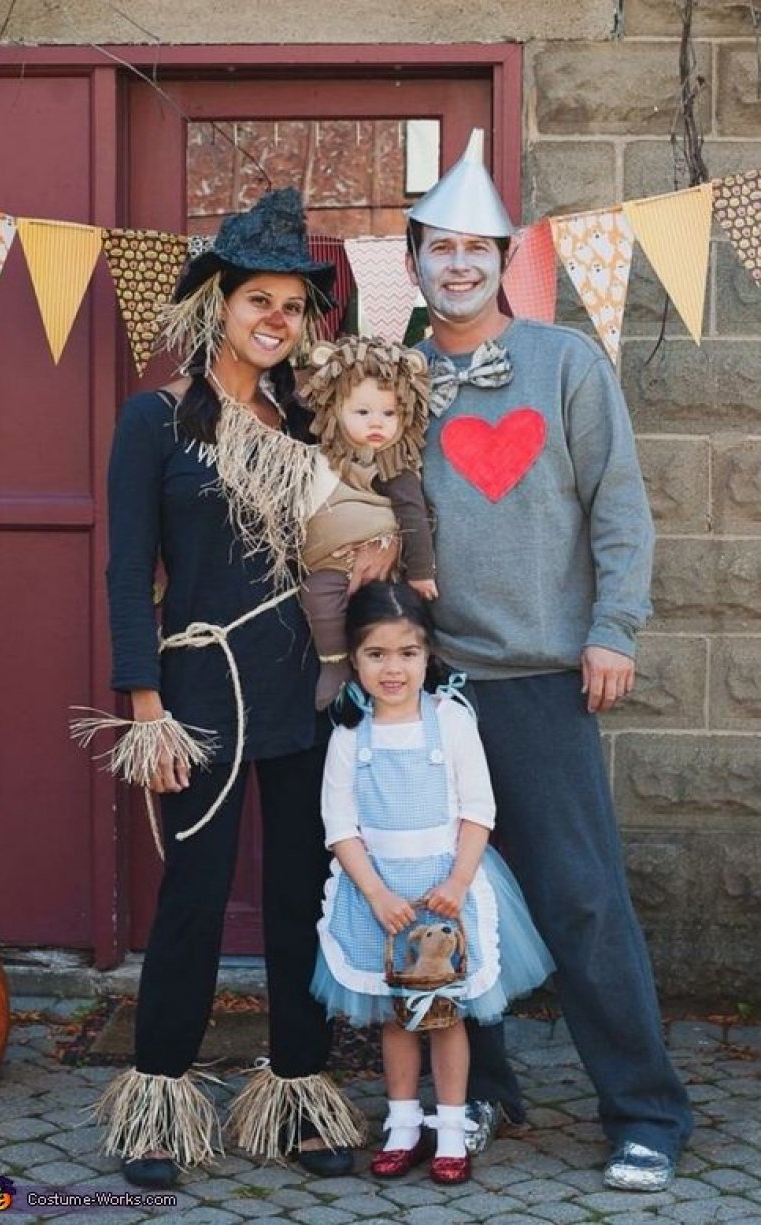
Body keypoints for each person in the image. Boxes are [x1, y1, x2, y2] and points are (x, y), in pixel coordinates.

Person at [80, 188, 390, 1190]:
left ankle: (298, 1094)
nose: (277, 319)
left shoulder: (309, 420)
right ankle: (159, 1099)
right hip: (197, 691)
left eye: (294, 305)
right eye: (258, 298)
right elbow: (129, 571)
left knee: (301, 894)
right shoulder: (157, 420)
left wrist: (378, 540)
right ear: (216, 304)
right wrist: (144, 706)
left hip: (299, 689)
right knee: (197, 897)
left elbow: (353, 529)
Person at [404, 130, 693, 1192]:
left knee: (579, 898)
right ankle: (473, 1090)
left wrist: (614, 627)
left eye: (477, 246)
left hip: (540, 679)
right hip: (431, 687)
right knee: (449, 900)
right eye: (439, 247)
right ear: (415, 262)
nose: (459, 263)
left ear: (502, 258)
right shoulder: (391, 379)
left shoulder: (564, 361)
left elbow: (618, 508)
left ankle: (646, 1110)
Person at [310, 581, 554, 1186]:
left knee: (445, 1015)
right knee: (398, 1017)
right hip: (381, 898)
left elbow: (479, 810)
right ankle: (401, 1125)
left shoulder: (450, 720)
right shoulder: (349, 733)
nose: (393, 668)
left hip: (448, 889)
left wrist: (459, 879)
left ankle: (450, 1129)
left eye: (408, 653)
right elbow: (339, 826)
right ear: (354, 659)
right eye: (376, 654)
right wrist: (376, 894)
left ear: (428, 655)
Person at [300, 336, 437, 709]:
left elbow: (413, 514)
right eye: (362, 413)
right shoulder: (316, 454)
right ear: (334, 409)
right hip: (328, 561)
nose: (377, 423)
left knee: (384, 624)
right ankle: (335, 665)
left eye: (389, 414)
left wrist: (421, 572)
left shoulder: (394, 464)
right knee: (318, 599)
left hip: (379, 563)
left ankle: (380, 681)